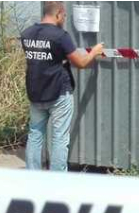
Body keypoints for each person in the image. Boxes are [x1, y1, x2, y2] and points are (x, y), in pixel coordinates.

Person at [20, 1, 104, 171]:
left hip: (36, 93)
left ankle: (31, 176)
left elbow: (42, 59)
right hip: (59, 93)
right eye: (64, 16)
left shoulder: (26, 34)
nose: (64, 19)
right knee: (59, 138)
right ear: (58, 13)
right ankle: (57, 180)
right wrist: (94, 51)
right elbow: (80, 63)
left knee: (35, 135)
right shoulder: (60, 36)